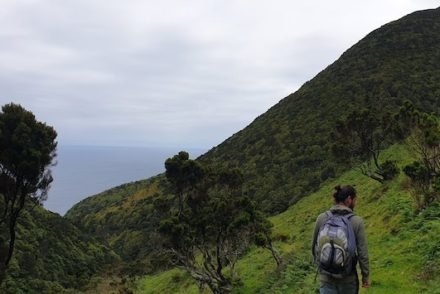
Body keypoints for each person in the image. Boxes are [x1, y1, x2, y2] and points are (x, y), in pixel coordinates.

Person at [312, 185, 370, 293]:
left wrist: (323, 268)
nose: (355, 203)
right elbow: (363, 254)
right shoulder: (356, 222)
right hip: (347, 280)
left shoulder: (322, 218)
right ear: (349, 200)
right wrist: (365, 276)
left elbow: (314, 247)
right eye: (354, 200)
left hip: (326, 279)